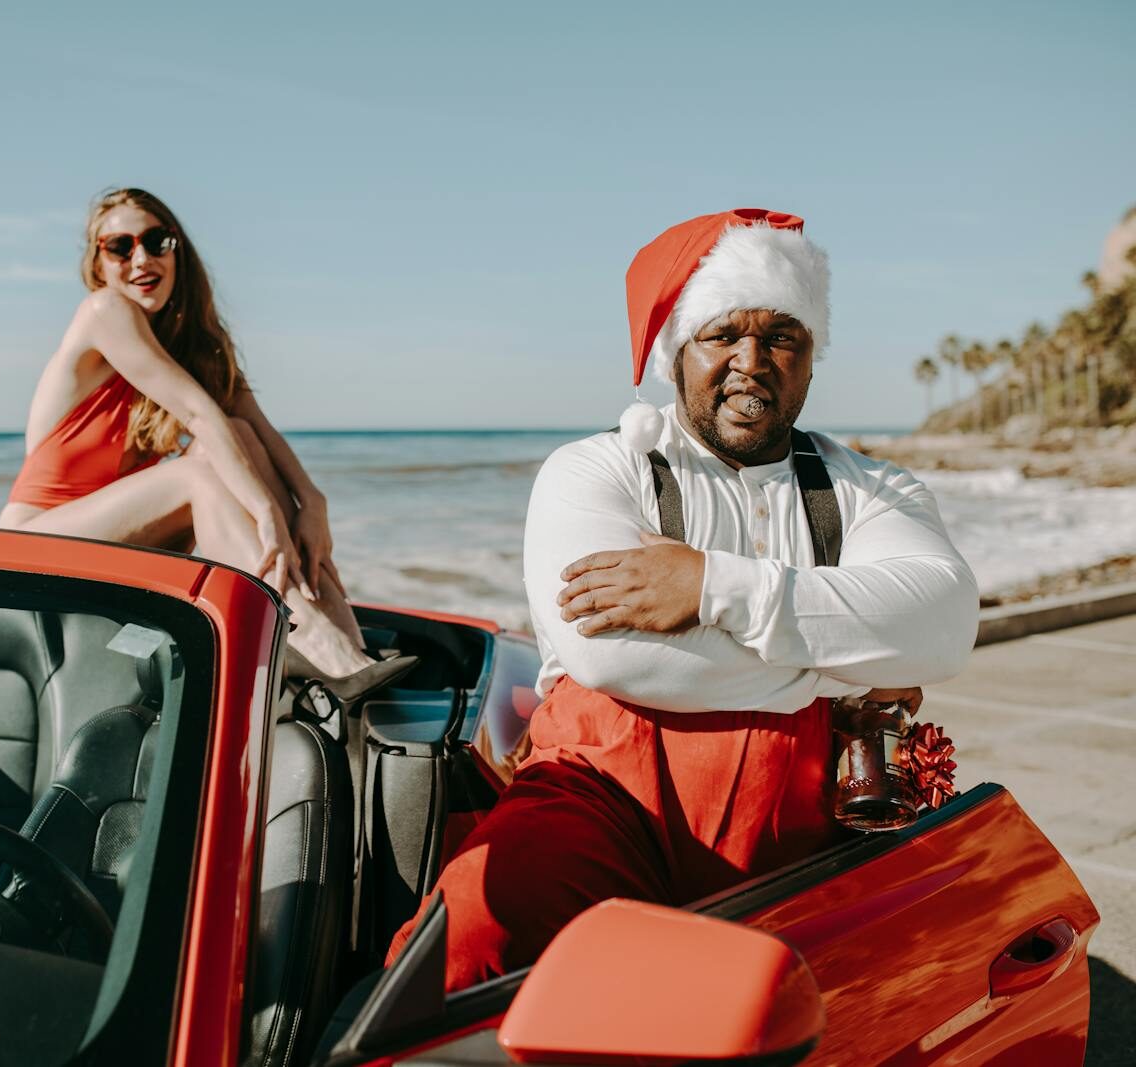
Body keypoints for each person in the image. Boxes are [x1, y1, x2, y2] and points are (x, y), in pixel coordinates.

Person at [386, 208, 979, 990]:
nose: (752, 361)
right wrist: (834, 663)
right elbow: (617, 655)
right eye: (723, 334)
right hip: (600, 805)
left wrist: (709, 585)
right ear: (677, 352)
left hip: (795, 834)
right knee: (473, 936)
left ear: (810, 356)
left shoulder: (868, 487)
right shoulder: (595, 471)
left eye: (782, 337)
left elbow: (944, 623)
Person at [0, 188, 412, 694]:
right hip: (36, 541)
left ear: (179, 251)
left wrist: (311, 503)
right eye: (120, 247)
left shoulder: (189, 345)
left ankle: (346, 644)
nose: (142, 259)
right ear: (98, 265)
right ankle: (319, 645)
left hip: (115, 542)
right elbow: (198, 414)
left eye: (157, 241)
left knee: (234, 438)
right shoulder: (104, 311)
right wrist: (267, 516)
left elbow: (252, 428)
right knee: (197, 470)